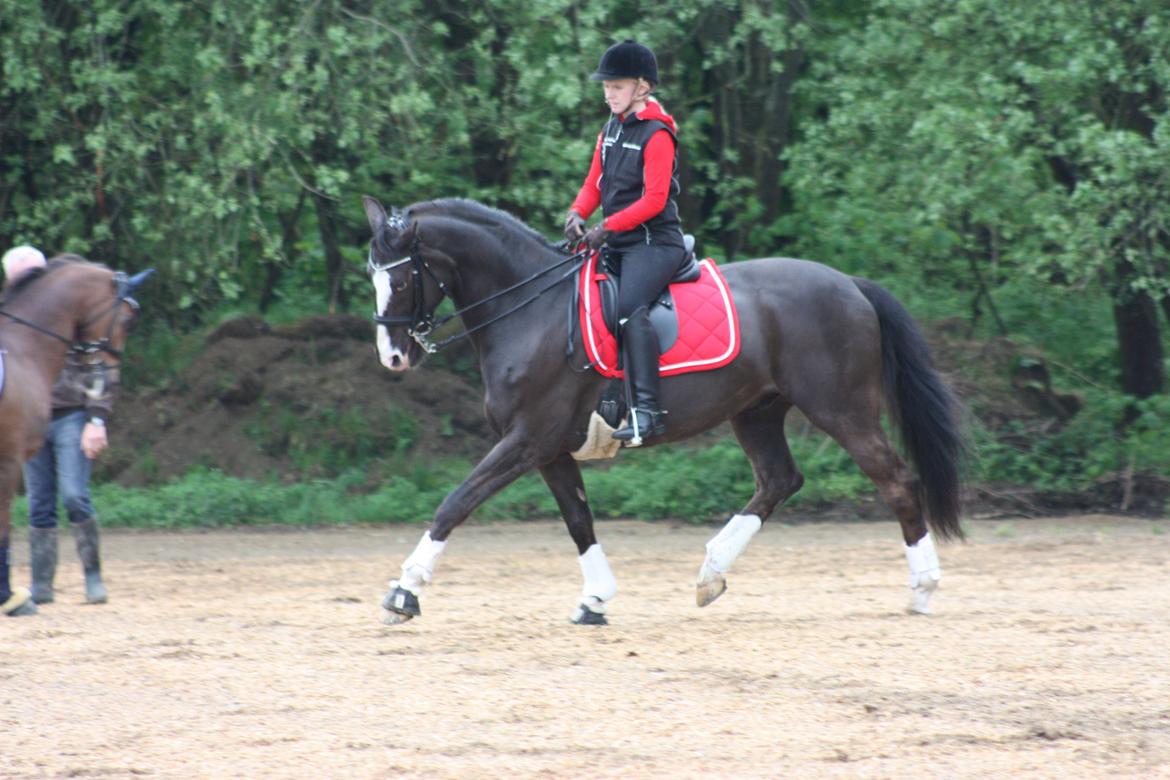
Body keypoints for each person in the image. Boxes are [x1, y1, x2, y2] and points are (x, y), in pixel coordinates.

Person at [564, 39, 687, 444]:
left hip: (654, 243)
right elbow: (593, 185)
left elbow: (654, 200)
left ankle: (648, 412)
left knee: (629, 309)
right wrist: (577, 214)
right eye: (606, 86)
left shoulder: (657, 135)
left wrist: (607, 227)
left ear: (642, 87)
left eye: (616, 86)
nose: (608, 93)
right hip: (617, 240)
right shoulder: (610, 129)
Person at [2, 245, 112, 605]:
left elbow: (100, 369)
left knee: (75, 495)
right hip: (27, 421)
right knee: (39, 503)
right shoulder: (12, 322)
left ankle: (92, 577)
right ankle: (41, 585)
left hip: (70, 414)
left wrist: (97, 418)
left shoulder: (74, 321)